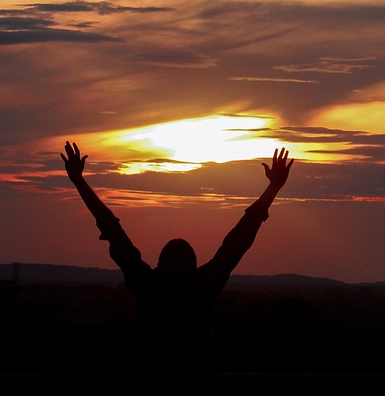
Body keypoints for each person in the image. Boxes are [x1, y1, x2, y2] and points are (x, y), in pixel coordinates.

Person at [61, 140, 293, 354]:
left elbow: (113, 231)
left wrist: (79, 181)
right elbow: (237, 242)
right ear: (193, 266)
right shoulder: (203, 287)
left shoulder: (148, 286)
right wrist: (273, 188)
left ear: (160, 264)